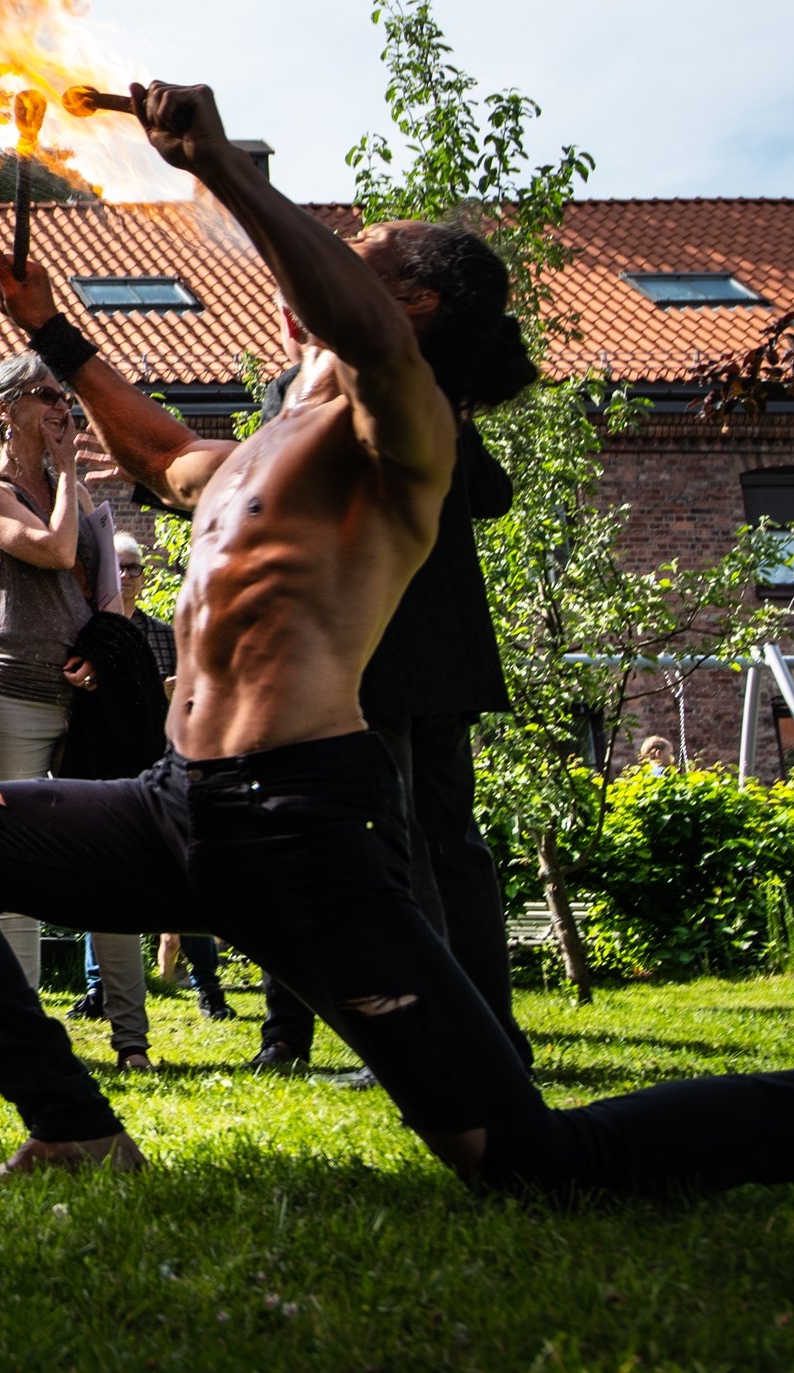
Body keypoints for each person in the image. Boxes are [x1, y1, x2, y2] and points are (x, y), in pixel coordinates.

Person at [0, 79, 794, 1200]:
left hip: (301, 823)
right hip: (174, 802)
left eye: (365, 256)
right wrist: (55, 331)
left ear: (412, 307)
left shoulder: (405, 421)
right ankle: (74, 1126)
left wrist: (221, 168)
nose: (332, 262)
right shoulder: (272, 443)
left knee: (522, 1161)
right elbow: (157, 459)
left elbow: (363, 332)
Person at [249, 359, 522, 1074]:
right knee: (454, 846)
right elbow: (492, 493)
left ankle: (433, 1034)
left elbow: (278, 492)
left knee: (397, 850)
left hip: (377, 645)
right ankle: (493, 1031)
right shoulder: (432, 383)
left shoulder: (317, 384)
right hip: (450, 650)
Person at [0, 354, 151, 1070]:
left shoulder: (74, 492)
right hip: (11, 695)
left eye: (65, 394)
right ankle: (24, 1042)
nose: (64, 406)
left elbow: (101, 594)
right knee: (11, 869)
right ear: (4, 408)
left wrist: (104, 650)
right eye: (47, 395)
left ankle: (131, 1042)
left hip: (84, 702)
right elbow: (53, 547)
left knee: (111, 870)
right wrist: (69, 474)